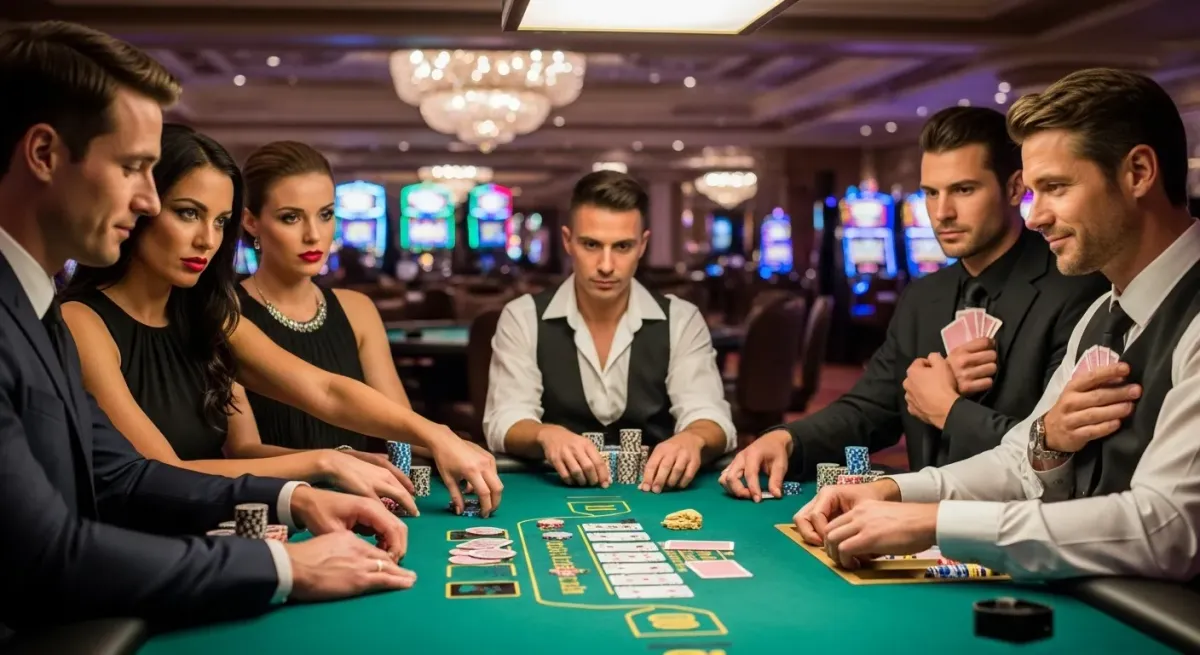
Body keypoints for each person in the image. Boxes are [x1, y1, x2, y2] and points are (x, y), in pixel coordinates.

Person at [0, 21, 411, 635]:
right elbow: (51, 556)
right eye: (133, 168)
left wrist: (294, 497)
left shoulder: (39, 312)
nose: (146, 201)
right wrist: (283, 564)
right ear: (43, 154)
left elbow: (123, 475)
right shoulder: (54, 318)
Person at [795, 68, 1200, 583]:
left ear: (1139, 172)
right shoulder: (1105, 312)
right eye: (1033, 191)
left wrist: (935, 521)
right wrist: (896, 491)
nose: (1035, 217)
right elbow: (1022, 461)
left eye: (1056, 188)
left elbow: (1169, 530)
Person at [720, 106, 1109, 501]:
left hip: (1022, 534)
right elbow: (869, 408)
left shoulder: (1079, 290)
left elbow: (1059, 450)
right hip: (920, 530)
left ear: (1014, 189)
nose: (942, 213)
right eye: (930, 193)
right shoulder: (925, 295)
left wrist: (946, 407)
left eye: (964, 189)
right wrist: (787, 439)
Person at [59, 125, 417, 516]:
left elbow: (324, 390)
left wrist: (438, 436)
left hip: (219, 531)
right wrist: (324, 463)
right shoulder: (81, 320)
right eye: (188, 213)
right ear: (142, 206)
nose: (207, 240)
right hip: (142, 553)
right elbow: (162, 474)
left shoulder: (206, 316)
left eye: (219, 221)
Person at [483, 170, 736, 491]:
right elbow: (505, 418)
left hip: (656, 492)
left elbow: (709, 413)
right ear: (567, 241)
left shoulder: (682, 319)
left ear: (642, 245)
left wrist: (694, 437)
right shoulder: (522, 317)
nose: (605, 264)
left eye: (622, 246)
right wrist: (546, 434)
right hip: (551, 489)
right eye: (591, 244)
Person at [235, 141, 419, 459]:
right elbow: (242, 450)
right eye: (291, 217)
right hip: (269, 501)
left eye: (325, 214)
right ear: (252, 222)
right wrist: (340, 463)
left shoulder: (357, 309)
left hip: (363, 501)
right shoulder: (223, 311)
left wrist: (443, 451)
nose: (314, 234)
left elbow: (401, 429)